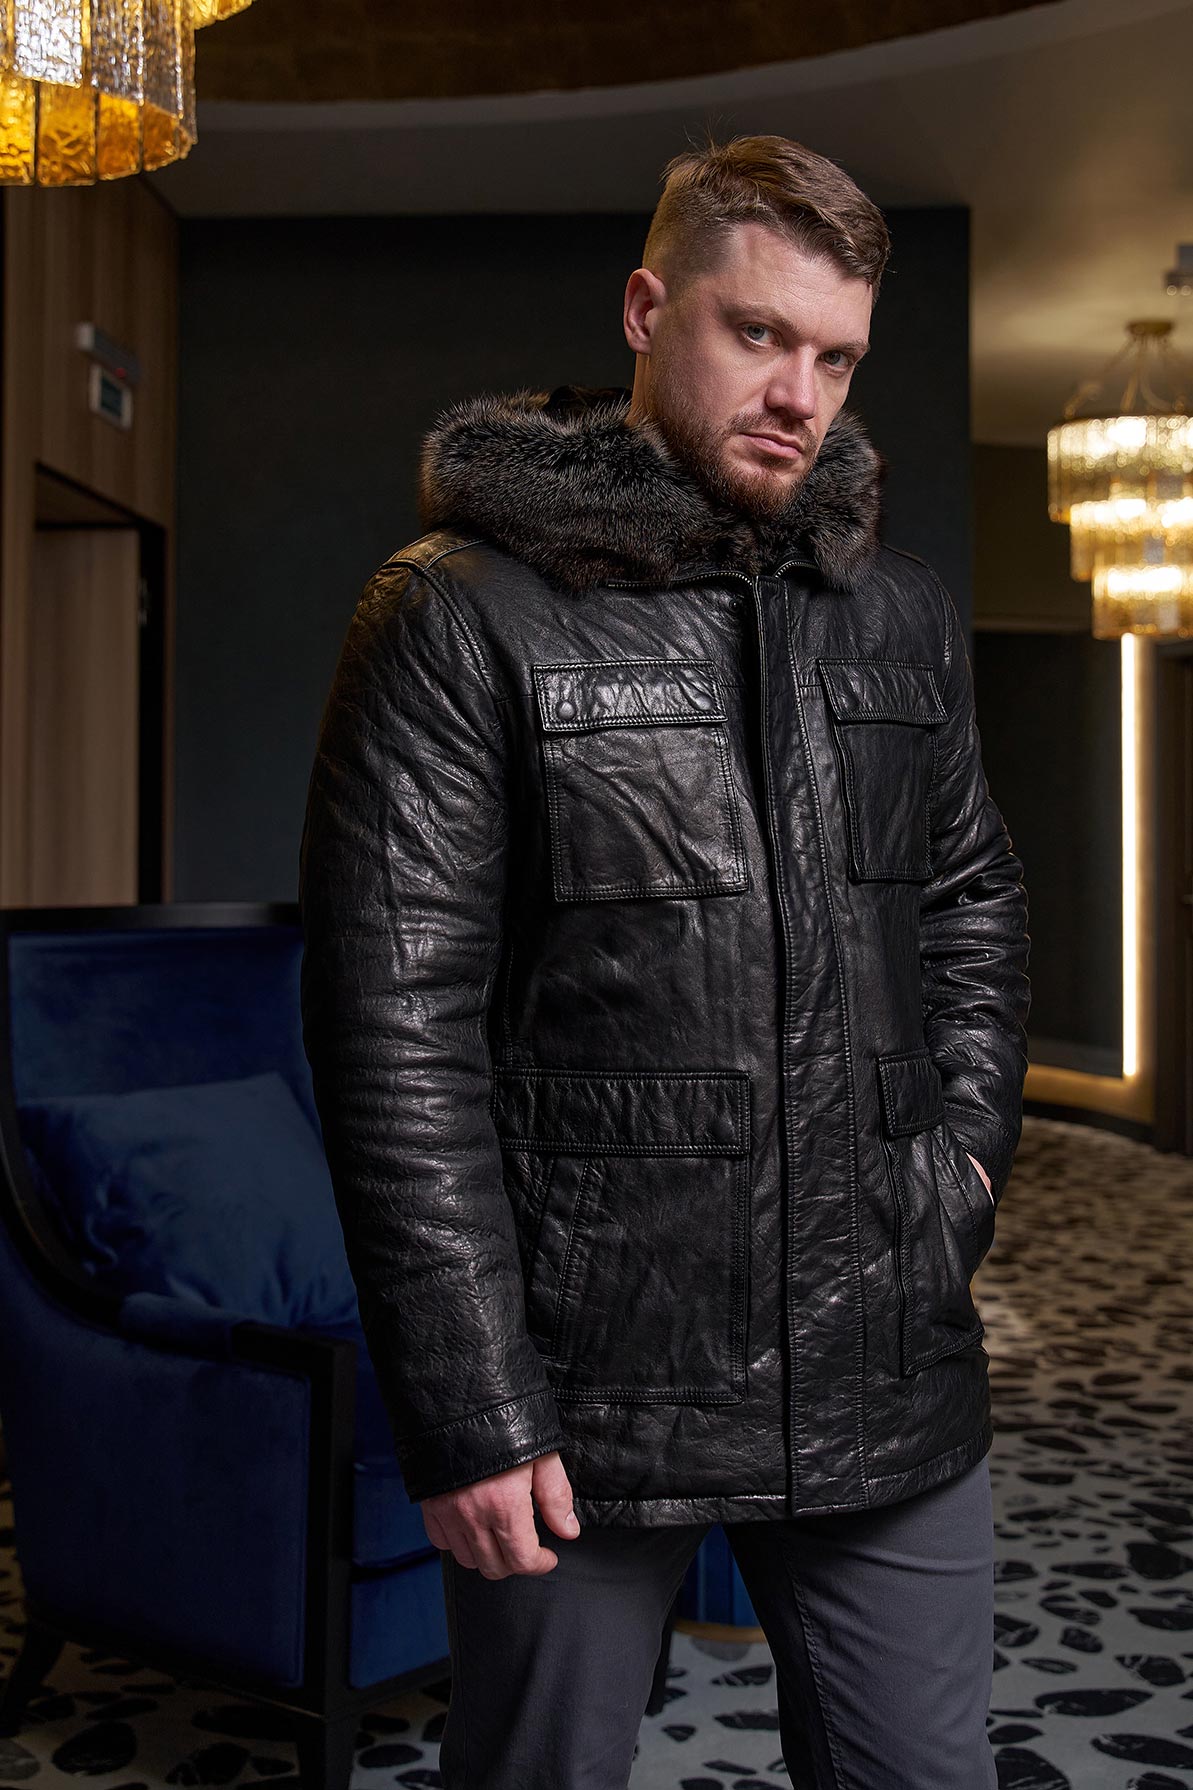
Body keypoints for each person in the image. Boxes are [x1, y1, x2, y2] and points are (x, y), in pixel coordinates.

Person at [297, 132, 1030, 1789]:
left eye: (833, 356)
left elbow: (971, 896)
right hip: (585, 1388)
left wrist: (959, 1170)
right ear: (646, 310)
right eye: (755, 333)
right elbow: (391, 1029)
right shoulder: (454, 612)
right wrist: (471, 1403)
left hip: (883, 1353)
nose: (797, 394)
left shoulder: (898, 611)